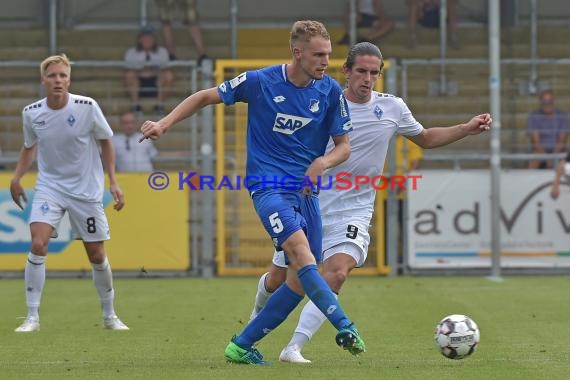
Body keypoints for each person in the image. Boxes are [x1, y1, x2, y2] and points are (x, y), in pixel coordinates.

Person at [249, 42, 492, 363]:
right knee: (281, 279)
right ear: (346, 72)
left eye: (374, 73)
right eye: (361, 71)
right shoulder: (323, 102)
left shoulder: (392, 108)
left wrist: (465, 128)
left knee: (336, 272)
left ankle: (293, 348)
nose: (367, 78)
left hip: (354, 210)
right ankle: (254, 322)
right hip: (309, 202)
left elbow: (425, 138)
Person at [139, 20, 366, 365]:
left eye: (328, 55)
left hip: (306, 194)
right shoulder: (261, 81)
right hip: (268, 187)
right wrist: (163, 124)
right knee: (301, 254)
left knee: (299, 280)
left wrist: (323, 162)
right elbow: (205, 96)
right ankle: (344, 324)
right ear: (297, 53)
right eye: (319, 55)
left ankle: (241, 345)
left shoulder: (331, 92)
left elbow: (344, 147)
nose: (325, 62)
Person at [10, 54, 129, 332]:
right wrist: (16, 177)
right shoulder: (32, 112)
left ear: (69, 79)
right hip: (49, 187)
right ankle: (32, 317)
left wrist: (113, 182)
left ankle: (110, 315)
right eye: (52, 76)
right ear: (44, 80)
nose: (58, 80)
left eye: (63, 75)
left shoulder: (87, 107)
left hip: (85, 191)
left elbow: (106, 142)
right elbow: (29, 146)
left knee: (96, 255)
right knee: (38, 244)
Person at [124, 25, 174, 115]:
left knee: (168, 75)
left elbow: (165, 68)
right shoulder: (131, 52)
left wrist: (150, 70)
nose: (147, 39)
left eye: (150, 37)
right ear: (139, 39)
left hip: (156, 80)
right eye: (144, 37)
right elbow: (130, 68)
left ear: (154, 39)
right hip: (139, 80)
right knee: (129, 75)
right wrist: (143, 70)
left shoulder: (162, 52)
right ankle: (136, 106)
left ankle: (159, 106)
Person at [527, 89, 570, 169]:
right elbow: (536, 142)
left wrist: (553, 157)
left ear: (554, 101)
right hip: (540, 151)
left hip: (559, 151)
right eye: (544, 101)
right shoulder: (534, 116)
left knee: (566, 159)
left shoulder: (562, 115)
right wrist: (547, 158)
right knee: (534, 159)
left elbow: (562, 140)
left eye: (550, 101)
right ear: (540, 101)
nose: (547, 104)